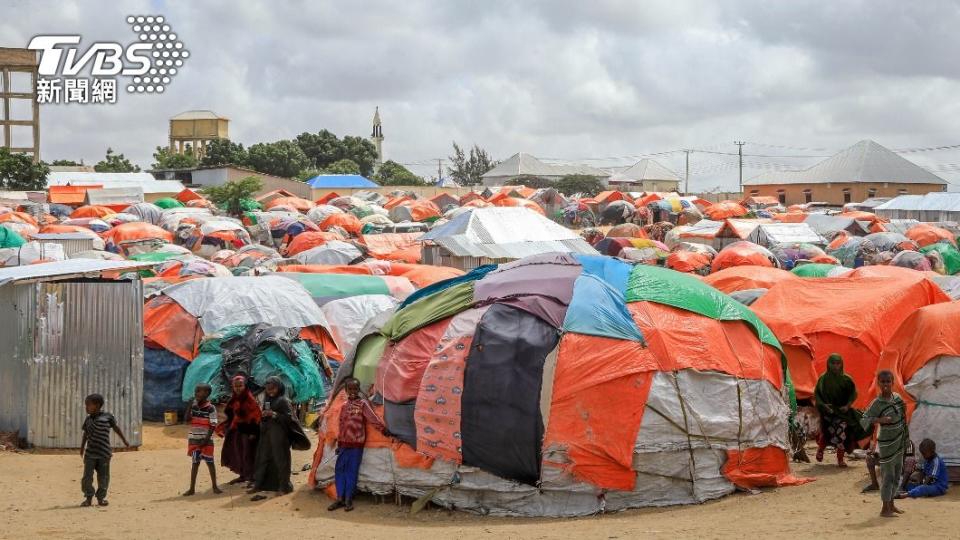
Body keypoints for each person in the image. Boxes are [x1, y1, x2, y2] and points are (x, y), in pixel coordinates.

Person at [328, 377, 388, 512]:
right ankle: (339, 498)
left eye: (355, 389)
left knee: (351, 471)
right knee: (339, 470)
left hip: (356, 444)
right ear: (346, 390)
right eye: (350, 389)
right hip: (343, 444)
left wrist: (384, 429)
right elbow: (341, 425)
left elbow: (373, 419)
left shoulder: (363, 404)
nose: (353, 391)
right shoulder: (343, 406)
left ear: (358, 389)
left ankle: (348, 499)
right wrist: (338, 444)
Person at [250, 376, 310, 501]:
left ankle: (284, 486)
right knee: (262, 458)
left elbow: (290, 419)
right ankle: (259, 484)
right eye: (268, 389)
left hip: (280, 436)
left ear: (279, 388)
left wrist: (274, 414)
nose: (270, 391)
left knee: (281, 460)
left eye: (273, 389)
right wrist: (264, 415)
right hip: (267, 434)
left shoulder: (283, 401)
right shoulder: (267, 400)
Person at [861, 370, 909, 517]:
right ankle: (884, 508)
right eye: (883, 382)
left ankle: (892, 504)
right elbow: (864, 419)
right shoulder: (877, 403)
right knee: (887, 475)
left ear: (893, 382)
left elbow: (903, 418)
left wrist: (906, 438)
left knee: (896, 473)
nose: (886, 384)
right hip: (887, 444)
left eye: (888, 381)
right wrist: (881, 420)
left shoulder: (898, 399)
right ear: (879, 383)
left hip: (899, 441)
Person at [813, 354, 865, 467]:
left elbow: (853, 393)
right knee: (827, 433)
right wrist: (824, 406)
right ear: (828, 364)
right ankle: (820, 450)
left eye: (838, 363)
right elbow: (817, 394)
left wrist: (847, 406)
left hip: (842, 413)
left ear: (841, 364)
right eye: (833, 363)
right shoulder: (823, 379)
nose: (835, 366)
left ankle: (840, 459)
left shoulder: (846, 379)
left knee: (842, 434)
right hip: (828, 412)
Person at [80, 393, 130, 507]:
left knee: (104, 477)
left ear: (97, 405)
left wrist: (124, 441)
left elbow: (116, 429)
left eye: (89, 405)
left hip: (104, 454)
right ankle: (88, 497)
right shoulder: (88, 420)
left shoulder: (108, 417)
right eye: (86, 405)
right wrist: (82, 448)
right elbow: (85, 435)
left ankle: (101, 498)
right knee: (87, 477)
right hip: (90, 454)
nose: (86, 407)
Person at [217, 375, 261, 487]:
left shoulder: (249, 399)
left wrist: (253, 433)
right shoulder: (234, 398)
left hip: (248, 431)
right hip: (236, 430)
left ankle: (252, 477)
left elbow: (256, 416)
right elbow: (231, 413)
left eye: (240, 386)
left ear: (244, 386)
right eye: (235, 386)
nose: (238, 388)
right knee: (238, 452)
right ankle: (243, 475)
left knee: (248, 454)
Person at [183, 383, 222, 496]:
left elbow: (213, 424)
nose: (196, 394)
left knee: (210, 463)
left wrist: (206, 439)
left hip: (206, 441)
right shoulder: (194, 407)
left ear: (207, 393)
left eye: (198, 391)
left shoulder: (211, 408)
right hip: (194, 440)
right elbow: (186, 420)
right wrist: (190, 406)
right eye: (196, 392)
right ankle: (191, 488)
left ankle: (215, 486)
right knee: (195, 463)